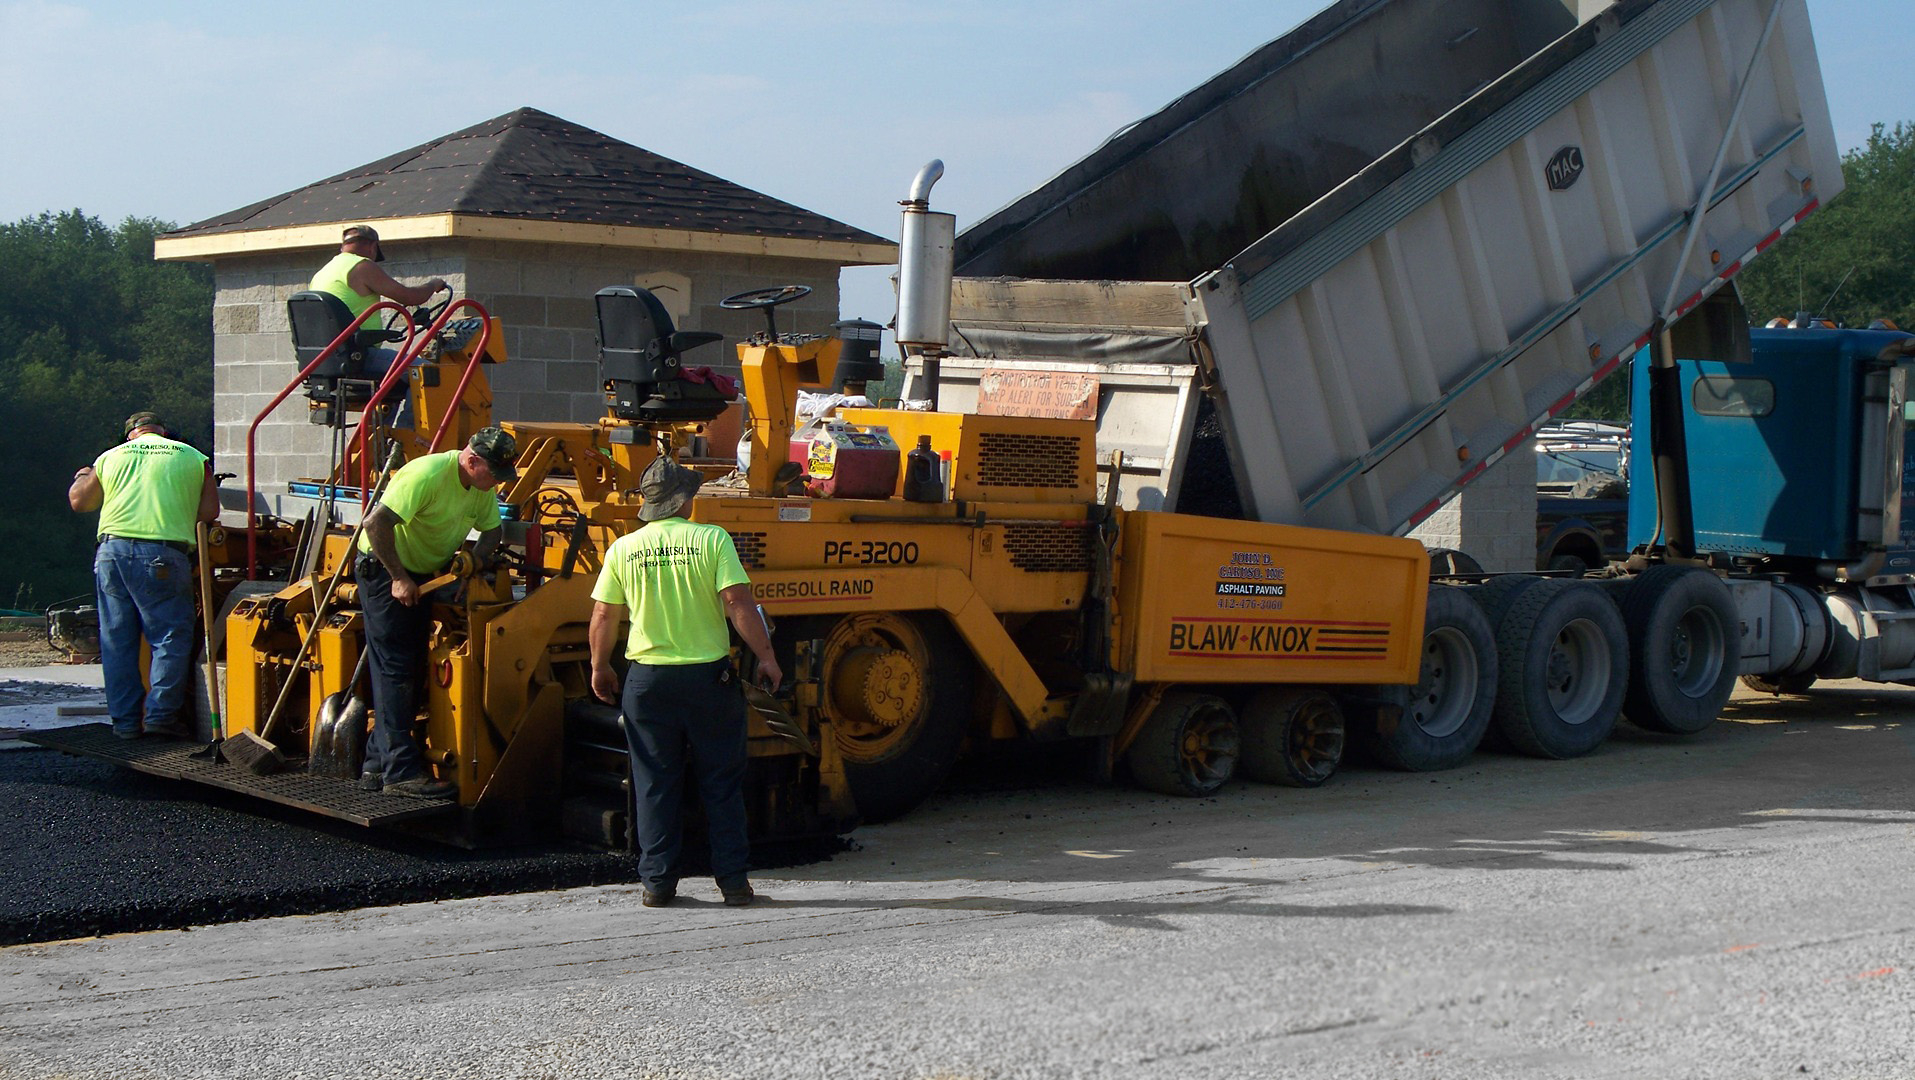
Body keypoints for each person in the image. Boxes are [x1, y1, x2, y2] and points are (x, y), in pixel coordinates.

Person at [589, 456, 782, 909]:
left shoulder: (623, 548)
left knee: (654, 782)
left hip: (647, 683)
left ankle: (657, 883)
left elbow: (603, 614)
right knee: (721, 781)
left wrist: (600, 666)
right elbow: (737, 602)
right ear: (686, 500)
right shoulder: (711, 539)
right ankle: (733, 882)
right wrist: (767, 657)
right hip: (707, 680)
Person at [355, 427, 517, 798]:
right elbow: (375, 523)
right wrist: (398, 578)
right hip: (385, 569)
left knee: (408, 664)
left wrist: (472, 561)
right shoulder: (426, 475)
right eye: (492, 473)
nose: (495, 483)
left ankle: (377, 764)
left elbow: (493, 533)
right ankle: (400, 773)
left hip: (424, 572)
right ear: (471, 459)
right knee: (396, 666)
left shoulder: (480, 487)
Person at [67, 412, 218, 739]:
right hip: (163, 555)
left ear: (130, 435)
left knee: (116, 642)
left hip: (112, 553)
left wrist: (83, 475)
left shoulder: (110, 457)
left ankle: (124, 725)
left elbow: (79, 501)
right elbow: (208, 513)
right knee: (169, 639)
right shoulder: (193, 457)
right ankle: (160, 719)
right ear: (162, 433)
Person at [311, 225, 449, 423]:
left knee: (392, 385)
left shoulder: (322, 273)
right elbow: (409, 297)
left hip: (327, 360)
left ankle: (379, 440)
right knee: (430, 374)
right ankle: (409, 441)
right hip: (358, 356)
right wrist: (433, 284)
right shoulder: (361, 266)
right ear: (372, 247)